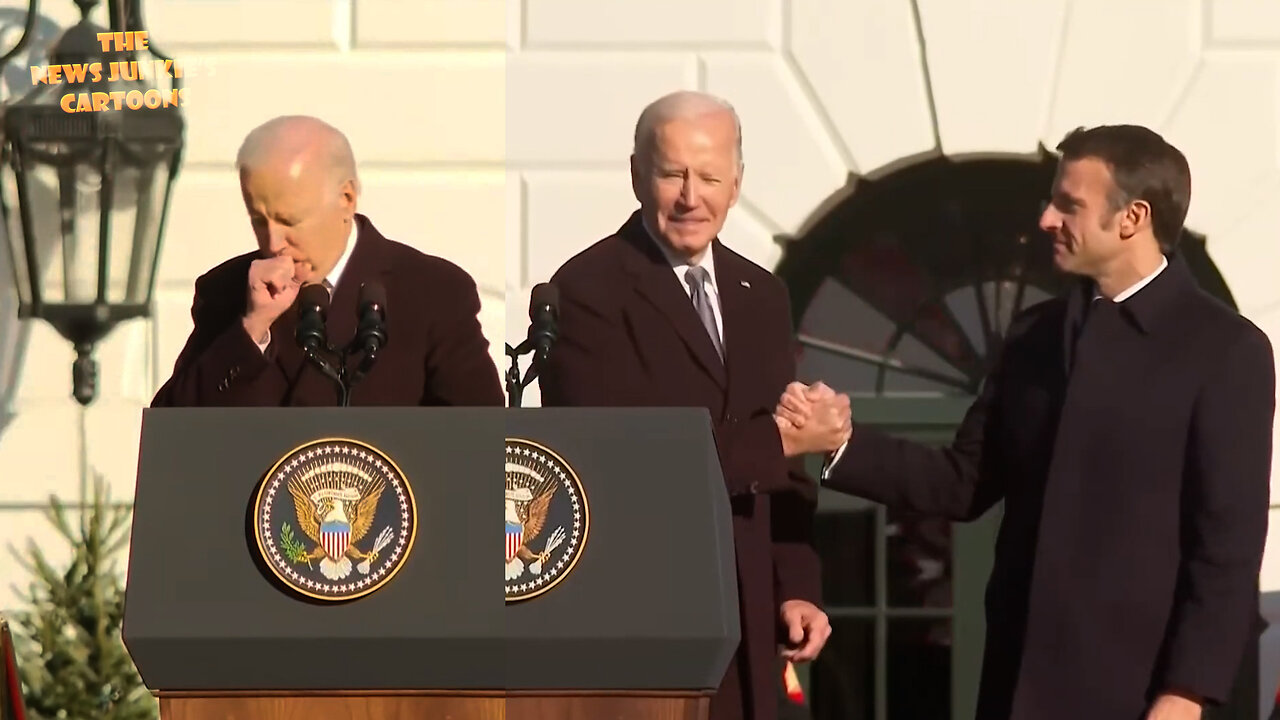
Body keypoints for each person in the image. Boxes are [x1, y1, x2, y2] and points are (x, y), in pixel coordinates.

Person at [777, 124, 1276, 720]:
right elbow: (961, 482)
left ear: (1132, 217)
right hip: (1022, 688)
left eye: (1069, 204)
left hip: (1149, 696)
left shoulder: (1225, 349)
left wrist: (1187, 694)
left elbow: (1226, 549)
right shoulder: (1034, 336)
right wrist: (839, 443)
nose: (1045, 218)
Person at [537, 90, 846, 720]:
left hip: (752, 626)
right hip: (643, 619)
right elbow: (615, 469)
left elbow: (785, 479)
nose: (690, 196)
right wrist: (780, 442)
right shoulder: (586, 290)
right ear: (635, 175)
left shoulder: (761, 294)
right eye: (672, 172)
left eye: (708, 176)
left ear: (736, 182)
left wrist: (798, 588)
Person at [151, 115, 503, 407]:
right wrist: (252, 328)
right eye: (258, 221)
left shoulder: (431, 291)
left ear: (346, 199)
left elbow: (477, 438)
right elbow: (174, 432)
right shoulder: (227, 292)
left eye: (290, 221)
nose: (273, 243)